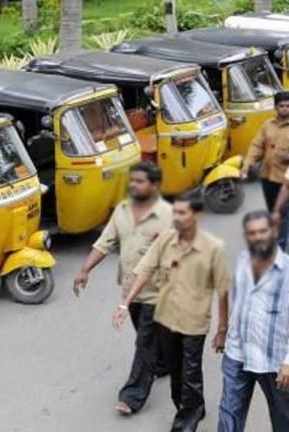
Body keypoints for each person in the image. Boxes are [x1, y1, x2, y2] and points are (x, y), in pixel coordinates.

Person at [113, 193, 231, 432]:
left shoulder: (213, 248)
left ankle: (185, 422)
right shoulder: (165, 240)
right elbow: (144, 271)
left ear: (197, 215)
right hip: (165, 319)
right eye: (175, 212)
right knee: (176, 374)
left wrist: (222, 329)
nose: (176, 217)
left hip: (194, 322)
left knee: (190, 372)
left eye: (182, 213)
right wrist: (125, 304)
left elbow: (223, 291)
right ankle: (193, 407)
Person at [73, 161, 172, 415]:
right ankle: (164, 363)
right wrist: (85, 269)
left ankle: (132, 395)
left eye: (140, 181)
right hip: (130, 289)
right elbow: (104, 243)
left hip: (156, 291)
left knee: (144, 341)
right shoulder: (122, 211)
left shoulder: (168, 216)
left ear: (154, 185)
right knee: (146, 335)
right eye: (132, 180)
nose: (133, 185)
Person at [217, 210, 289, 432]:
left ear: (274, 231)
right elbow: (228, 293)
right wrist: (223, 329)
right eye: (252, 233)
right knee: (229, 412)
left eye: (262, 231)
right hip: (237, 352)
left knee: (283, 418)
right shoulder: (242, 262)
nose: (257, 237)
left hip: (275, 360)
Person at [241, 91, 289, 248]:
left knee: (281, 215)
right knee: (270, 212)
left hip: (285, 182)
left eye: (288, 106)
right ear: (275, 107)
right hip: (267, 177)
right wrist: (247, 164)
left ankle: (279, 248)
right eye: (282, 106)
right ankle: (271, 243)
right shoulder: (267, 125)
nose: (285, 109)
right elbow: (257, 146)